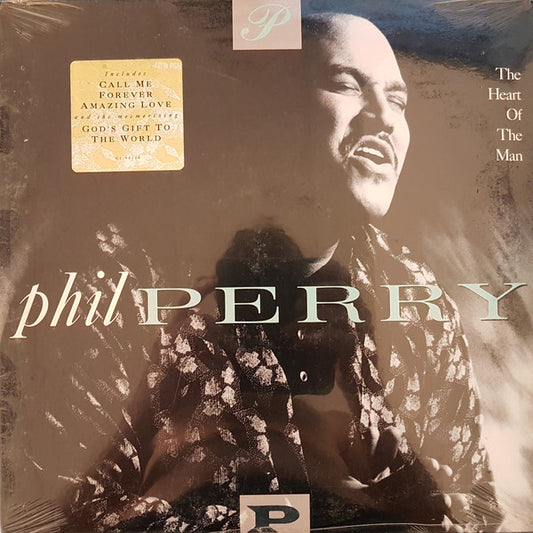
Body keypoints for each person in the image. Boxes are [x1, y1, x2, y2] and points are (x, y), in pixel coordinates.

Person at [13, 12, 501, 533]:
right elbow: (50, 512)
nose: (384, 117)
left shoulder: (417, 300)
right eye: (345, 85)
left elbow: (475, 504)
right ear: (267, 113)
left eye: (398, 100)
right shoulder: (116, 278)